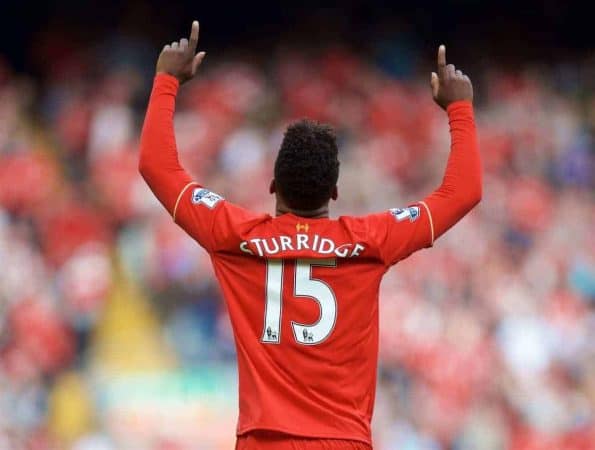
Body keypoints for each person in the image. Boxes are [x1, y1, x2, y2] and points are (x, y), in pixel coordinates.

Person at [139, 20, 481, 450]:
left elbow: (157, 165)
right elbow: (463, 191)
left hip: (264, 441)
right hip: (342, 441)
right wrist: (460, 109)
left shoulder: (233, 235)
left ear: (272, 186)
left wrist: (167, 79)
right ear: (335, 191)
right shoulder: (369, 241)